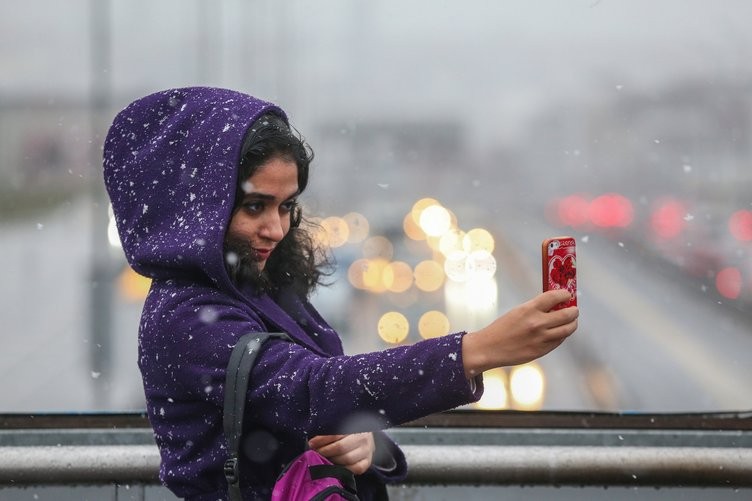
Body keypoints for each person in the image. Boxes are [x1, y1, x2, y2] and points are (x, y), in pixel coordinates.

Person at [103, 87, 578, 501]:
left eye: (287, 206)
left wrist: (366, 447)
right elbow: (312, 391)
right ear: (198, 208)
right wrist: (476, 351)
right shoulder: (185, 316)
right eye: (253, 206)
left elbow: (319, 409)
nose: (276, 228)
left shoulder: (254, 288)